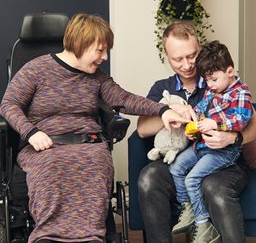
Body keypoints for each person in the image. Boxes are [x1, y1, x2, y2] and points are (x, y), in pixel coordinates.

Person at [0, 13, 191, 243]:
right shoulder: (36, 69)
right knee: (52, 165)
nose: (105, 56)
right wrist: (30, 132)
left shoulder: (97, 78)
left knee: (97, 161)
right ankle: (49, 236)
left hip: (88, 142)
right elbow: (8, 104)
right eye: (100, 50)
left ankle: (90, 237)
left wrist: (163, 110)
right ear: (80, 44)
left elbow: (125, 98)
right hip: (45, 144)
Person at [137, 21, 256, 243]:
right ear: (166, 56)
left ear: (199, 47)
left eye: (192, 56)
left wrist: (231, 137)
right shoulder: (162, 88)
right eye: (177, 59)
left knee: (213, 185)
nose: (187, 65)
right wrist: (169, 111)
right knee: (149, 176)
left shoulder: (218, 78)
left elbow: (252, 123)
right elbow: (142, 130)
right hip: (187, 157)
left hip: (225, 163)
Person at [169, 40, 253, 243]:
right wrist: (194, 127)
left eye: (214, 79)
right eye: (207, 80)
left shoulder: (241, 93)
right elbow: (200, 111)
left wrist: (214, 124)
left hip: (223, 151)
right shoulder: (212, 90)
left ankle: (203, 224)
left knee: (192, 179)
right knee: (176, 166)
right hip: (202, 145)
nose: (210, 85)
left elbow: (240, 120)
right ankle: (188, 208)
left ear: (230, 71)